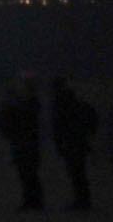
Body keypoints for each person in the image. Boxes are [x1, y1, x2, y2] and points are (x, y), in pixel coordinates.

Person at [44, 82, 95, 213]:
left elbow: (58, 127)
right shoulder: (78, 105)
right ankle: (83, 200)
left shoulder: (63, 107)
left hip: (71, 143)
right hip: (78, 142)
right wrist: (88, 133)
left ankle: (82, 200)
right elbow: (92, 118)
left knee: (76, 173)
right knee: (78, 172)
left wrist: (59, 143)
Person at [0, 84, 43, 213]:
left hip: (23, 144)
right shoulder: (24, 109)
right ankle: (33, 200)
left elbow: (5, 124)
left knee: (27, 174)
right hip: (25, 144)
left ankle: (33, 201)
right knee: (28, 174)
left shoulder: (17, 110)